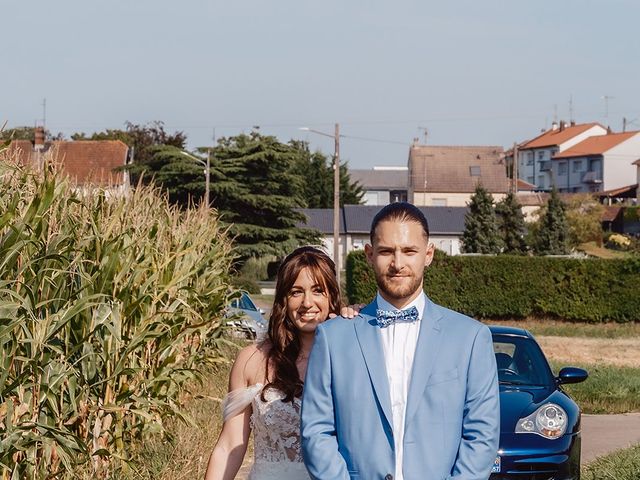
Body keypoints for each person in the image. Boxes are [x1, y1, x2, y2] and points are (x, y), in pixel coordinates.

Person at [301, 202, 500, 480]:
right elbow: (316, 430)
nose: (397, 263)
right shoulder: (333, 337)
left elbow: (482, 434)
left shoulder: (470, 338)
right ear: (369, 255)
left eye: (409, 251)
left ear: (428, 254)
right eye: (386, 251)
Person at [205, 246, 345, 480]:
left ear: (332, 297)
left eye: (318, 290)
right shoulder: (251, 360)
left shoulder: (352, 357)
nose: (307, 302)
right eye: (296, 292)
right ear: (283, 299)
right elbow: (230, 445)